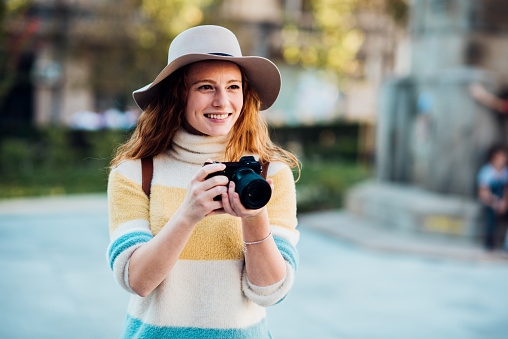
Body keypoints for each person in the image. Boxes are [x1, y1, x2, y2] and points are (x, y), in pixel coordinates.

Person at [106, 25, 300, 338]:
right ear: (177, 95)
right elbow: (137, 282)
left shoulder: (270, 174)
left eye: (233, 86)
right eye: (206, 87)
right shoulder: (135, 173)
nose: (223, 102)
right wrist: (188, 214)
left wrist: (254, 216)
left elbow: (271, 292)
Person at [476, 144, 508, 251]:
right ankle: (489, 242)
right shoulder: (487, 171)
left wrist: (504, 202)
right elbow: (483, 193)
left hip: (502, 202)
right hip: (490, 202)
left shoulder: (505, 172)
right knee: (491, 215)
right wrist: (494, 202)